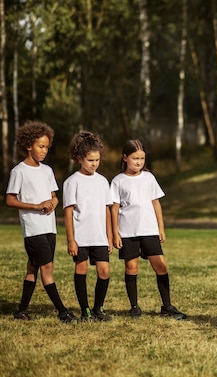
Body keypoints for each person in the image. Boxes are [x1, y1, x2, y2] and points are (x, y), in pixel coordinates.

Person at [5, 121, 78, 322]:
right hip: (33, 228)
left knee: (33, 267)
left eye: (47, 147)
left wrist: (53, 202)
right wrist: (36, 206)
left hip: (49, 227)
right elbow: (10, 200)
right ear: (29, 146)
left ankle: (21, 311)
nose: (45, 151)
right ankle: (63, 311)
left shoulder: (46, 170)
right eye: (41, 146)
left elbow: (54, 196)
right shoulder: (18, 171)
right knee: (47, 268)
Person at [110, 139, 186, 320]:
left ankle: (167, 306)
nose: (139, 162)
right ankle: (134, 307)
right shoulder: (118, 181)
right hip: (128, 232)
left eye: (142, 158)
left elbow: (156, 203)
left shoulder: (149, 178)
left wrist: (161, 227)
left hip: (149, 230)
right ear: (125, 158)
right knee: (131, 267)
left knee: (160, 265)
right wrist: (115, 233)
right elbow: (113, 208)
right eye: (135, 158)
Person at [63, 132, 113, 322]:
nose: (94, 164)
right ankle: (85, 311)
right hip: (81, 237)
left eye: (97, 160)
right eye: (90, 160)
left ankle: (98, 308)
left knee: (104, 271)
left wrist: (109, 237)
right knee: (81, 270)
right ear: (79, 158)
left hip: (99, 236)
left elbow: (107, 211)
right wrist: (71, 240)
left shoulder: (102, 181)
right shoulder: (72, 182)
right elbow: (68, 212)